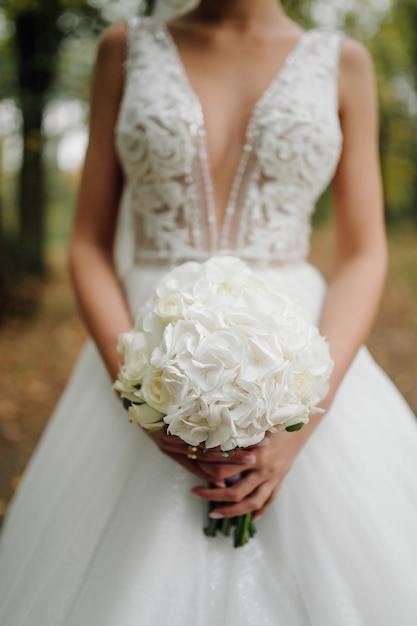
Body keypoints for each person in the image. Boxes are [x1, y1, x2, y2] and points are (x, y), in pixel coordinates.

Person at [1, 0, 417, 623]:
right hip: (142, 339)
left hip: (298, 346)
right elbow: (87, 241)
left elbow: (363, 254)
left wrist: (305, 415)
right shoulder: (125, 48)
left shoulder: (343, 62)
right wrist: (141, 387)